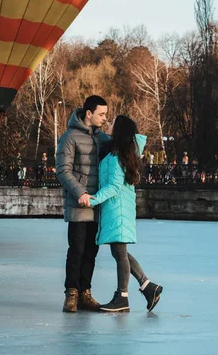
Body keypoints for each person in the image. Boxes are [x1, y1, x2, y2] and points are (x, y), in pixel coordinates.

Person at [90, 115, 163, 313]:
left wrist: (92, 199)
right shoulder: (123, 152)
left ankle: (122, 297)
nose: (108, 124)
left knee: (119, 252)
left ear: (119, 130)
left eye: (112, 123)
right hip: (120, 207)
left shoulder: (116, 158)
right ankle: (148, 287)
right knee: (118, 251)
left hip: (117, 208)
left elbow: (113, 187)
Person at [56, 95, 111, 313]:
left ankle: (85, 292)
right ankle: (71, 293)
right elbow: (63, 170)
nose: (104, 118)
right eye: (101, 114)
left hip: (98, 205)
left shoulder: (103, 139)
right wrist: (80, 192)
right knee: (77, 250)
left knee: (91, 251)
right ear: (89, 114)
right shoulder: (69, 137)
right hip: (79, 204)